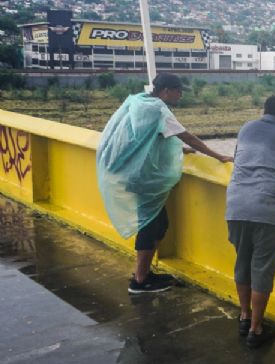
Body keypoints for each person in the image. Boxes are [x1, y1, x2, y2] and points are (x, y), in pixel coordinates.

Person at [96, 73, 233, 294]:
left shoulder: (139, 101)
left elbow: (146, 137)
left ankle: (144, 273)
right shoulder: (158, 109)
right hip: (142, 178)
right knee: (151, 226)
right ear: (167, 90)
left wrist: (178, 149)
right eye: (178, 90)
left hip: (131, 173)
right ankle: (140, 280)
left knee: (157, 224)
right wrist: (220, 157)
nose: (180, 95)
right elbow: (188, 136)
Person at [226, 95, 275, 348]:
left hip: (236, 205)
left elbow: (239, 158)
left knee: (243, 262)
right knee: (262, 268)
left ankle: (244, 316)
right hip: (267, 210)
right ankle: (256, 329)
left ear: (264, 111)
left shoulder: (247, 128)